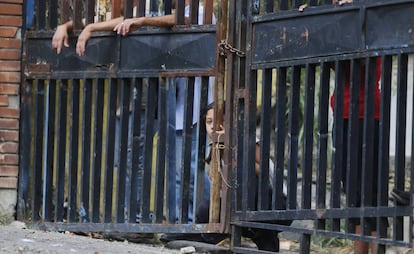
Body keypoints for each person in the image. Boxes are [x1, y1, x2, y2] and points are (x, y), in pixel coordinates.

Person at [195, 103, 291, 252]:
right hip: (239, 204)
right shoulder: (214, 148)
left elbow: (262, 172)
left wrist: (233, 152)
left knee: (252, 186)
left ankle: (265, 236)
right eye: (209, 122)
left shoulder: (248, 139)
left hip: (272, 203)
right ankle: (216, 241)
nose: (214, 126)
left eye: (220, 121)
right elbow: (219, 184)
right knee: (204, 210)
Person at [330, 58, 382, 254]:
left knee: (370, 191)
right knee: (356, 192)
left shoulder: (371, 32)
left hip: (366, 114)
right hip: (347, 115)